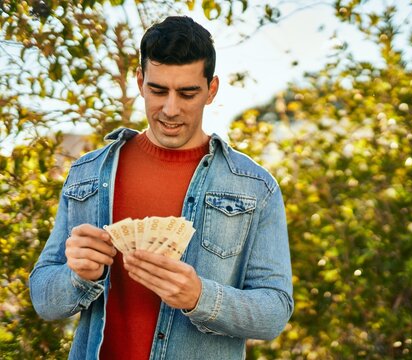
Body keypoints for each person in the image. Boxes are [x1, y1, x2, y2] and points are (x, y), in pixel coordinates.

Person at [29, 16, 293, 360]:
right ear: (140, 82)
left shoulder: (255, 186)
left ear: (211, 90)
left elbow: (275, 311)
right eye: (158, 90)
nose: (170, 109)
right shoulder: (87, 173)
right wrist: (76, 276)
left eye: (187, 93)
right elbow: (44, 300)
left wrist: (200, 297)